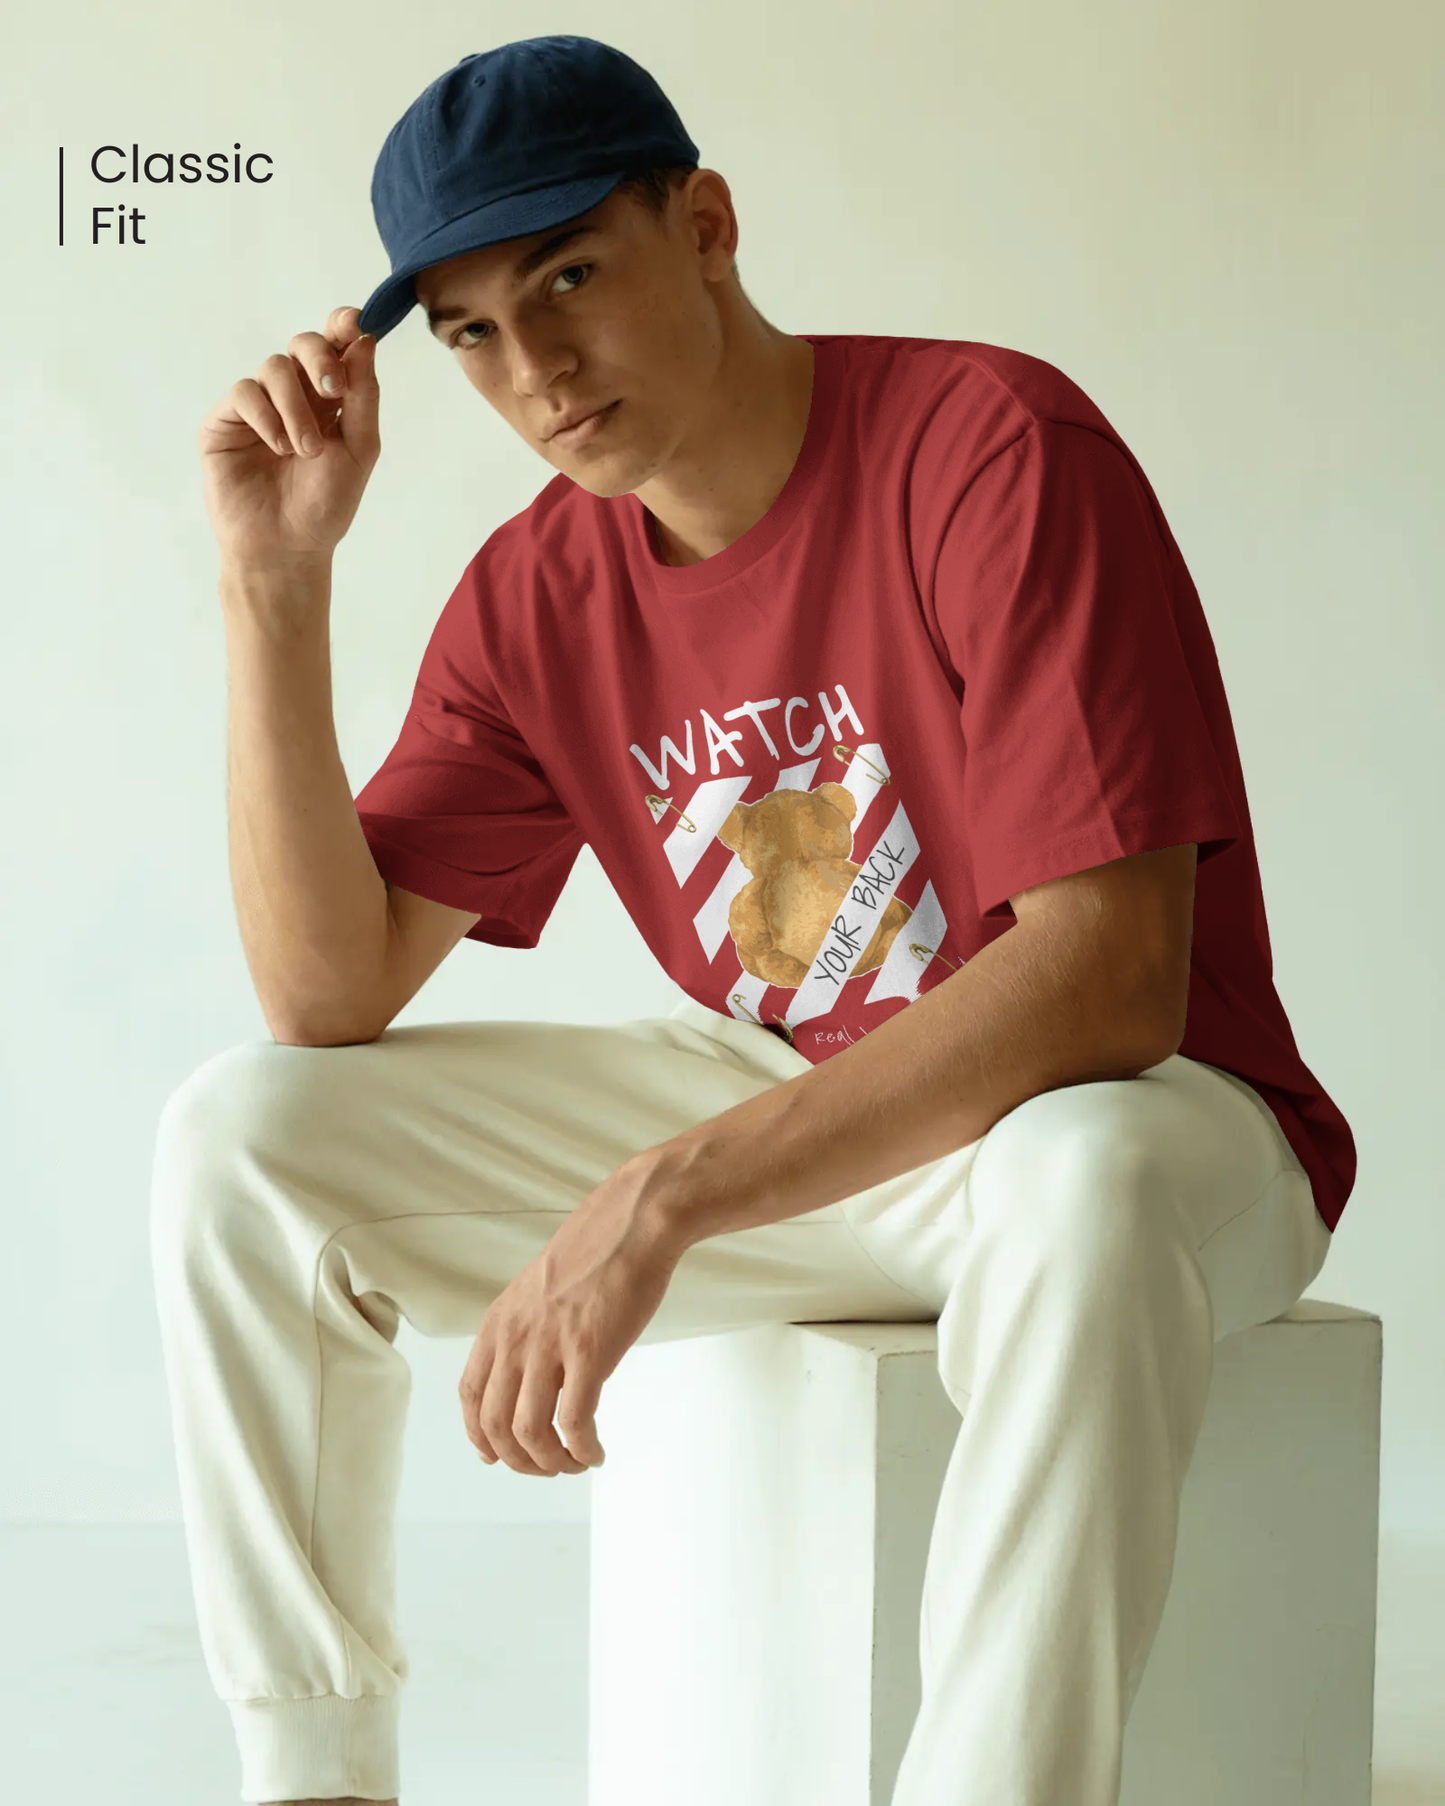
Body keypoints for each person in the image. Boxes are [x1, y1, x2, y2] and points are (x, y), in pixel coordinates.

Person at [155, 33, 1357, 1806]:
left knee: (1084, 1170)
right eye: (477, 328)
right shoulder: (536, 596)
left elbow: (1110, 976)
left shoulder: (988, 448)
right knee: (240, 1136)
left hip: (1138, 1127)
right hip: (816, 1107)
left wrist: (670, 1190)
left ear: (705, 225)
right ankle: (317, 1777)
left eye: (571, 274)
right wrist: (275, 587)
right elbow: (323, 999)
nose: (538, 368)